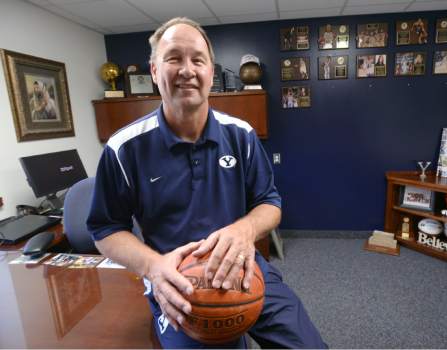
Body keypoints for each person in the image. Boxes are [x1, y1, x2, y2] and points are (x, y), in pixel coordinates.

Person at [87, 17, 327, 349]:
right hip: (176, 279)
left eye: (197, 59)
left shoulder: (241, 135)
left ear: (211, 73)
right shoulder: (123, 148)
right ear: (155, 71)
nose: (187, 69)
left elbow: (269, 203)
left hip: (244, 267)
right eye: (174, 58)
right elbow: (105, 229)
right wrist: (154, 268)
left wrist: (243, 231)